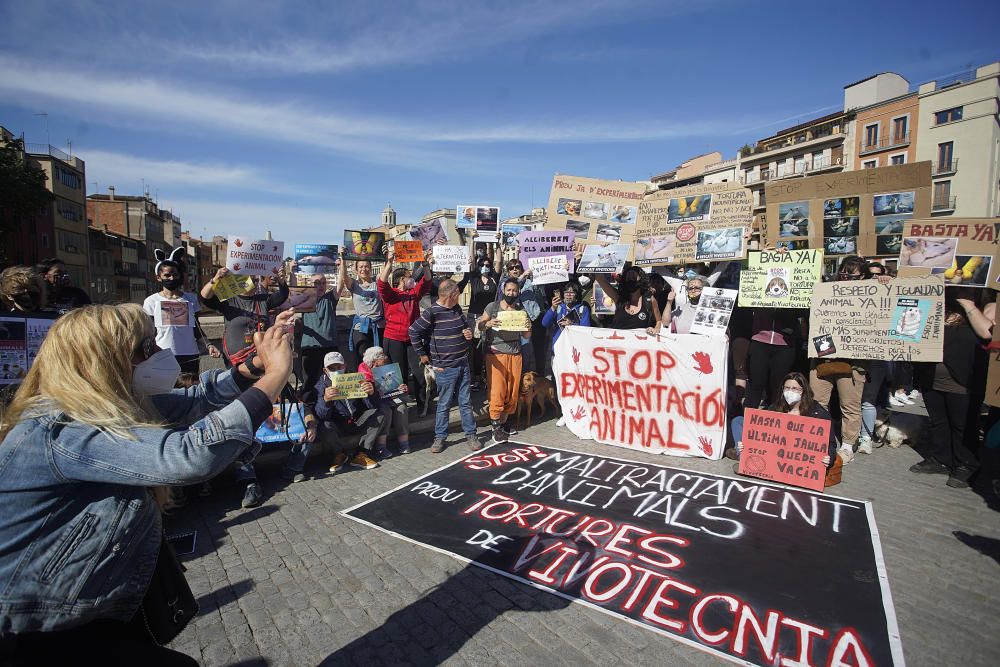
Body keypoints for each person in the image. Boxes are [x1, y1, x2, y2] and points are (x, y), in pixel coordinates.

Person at [0, 304, 293, 664]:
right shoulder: (60, 428)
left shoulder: (110, 405)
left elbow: (196, 401)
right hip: (39, 624)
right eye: (145, 348)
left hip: (90, 606)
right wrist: (276, 375)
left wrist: (253, 369)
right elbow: (188, 455)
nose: (158, 355)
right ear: (104, 361)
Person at [910, 288, 995, 488]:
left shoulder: (987, 305)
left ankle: (966, 464)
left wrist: (967, 304)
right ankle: (940, 459)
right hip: (931, 376)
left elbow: (987, 332)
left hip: (962, 380)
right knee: (938, 421)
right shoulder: (936, 302)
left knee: (962, 425)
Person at [409, 278, 479, 453]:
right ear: (452, 294)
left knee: (465, 402)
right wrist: (423, 354)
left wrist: (467, 333)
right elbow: (413, 331)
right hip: (445, 367)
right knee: (444, 404)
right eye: (458, 293)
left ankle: (471, 434)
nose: (459, 296)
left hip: (462, 362)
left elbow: (464, 327)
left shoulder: (455, 309)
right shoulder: (433, 312)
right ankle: (440, 437)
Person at [810, 256, 867, 464]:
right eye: (844, 271)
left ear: (862, 276)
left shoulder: (872, 293)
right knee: (817, 401)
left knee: (850, 404)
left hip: (852, 361)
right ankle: (817, 438)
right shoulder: (826, 290)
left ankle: (847, 445)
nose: (846, 277)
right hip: (824, 357)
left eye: (852, 273)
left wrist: (882, 283)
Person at [729, 372, 837, 470]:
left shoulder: (818, 413)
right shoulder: (776, 407)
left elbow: (831, 443)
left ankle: (743, 458)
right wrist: (747, 444)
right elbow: (760, 432)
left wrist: (829, 457)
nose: (790, 392)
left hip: (796, 458)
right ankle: (743, 457)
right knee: (738, 421)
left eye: (795, 388)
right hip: (776, 451)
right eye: (787, 388)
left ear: (803, 391)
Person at [143, 248, 220, 376]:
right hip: (163, 355)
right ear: (158, 277)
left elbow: (197, 329)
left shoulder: (191, 299)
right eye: (167, 275)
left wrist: (209, 345)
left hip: (190, 355)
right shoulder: (151, 301)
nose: (171, 278)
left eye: (175, 274)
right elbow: (148, 332)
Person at [377, 246, 432, 409]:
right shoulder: (391, 294)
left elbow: (427, 282)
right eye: (409, 277)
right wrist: (389, 262)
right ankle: (395, 407)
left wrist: (425, 265)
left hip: (412, 339)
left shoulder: (413, 294)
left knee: (419, 373)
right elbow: (381, 283)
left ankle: (424, 404)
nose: (412, 280)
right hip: (394, 339)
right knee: (393, 374)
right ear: (401, 280)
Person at [199, 267, 289, 366]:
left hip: (260, 358)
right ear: (239, 281)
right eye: (251, 279)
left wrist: (281, 280)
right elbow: (205, 297)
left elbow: (282, 295)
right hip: (235, 361)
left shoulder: (263, 300)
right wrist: (216, 278)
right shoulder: (229, 301)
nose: (255, 282)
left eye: (255, 279)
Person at [479, 278, 532, 443]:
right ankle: (495, 426)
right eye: (509, 290)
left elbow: (526, 336)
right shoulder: (492, 307)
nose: (511, 293)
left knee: (512, 391)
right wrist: (487, 324)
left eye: (514, 291)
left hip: (515, 353)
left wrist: (528, 326)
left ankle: (503, 422)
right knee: (498, 390)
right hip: (496, 353)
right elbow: (479, 325)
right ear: (503, 290)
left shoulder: (520, 310)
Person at [313, 352, 384, 472]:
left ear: (345, 365)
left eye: (339, 367)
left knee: (381, 413)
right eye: (332, 368)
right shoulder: (320, 386)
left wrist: (371, 393)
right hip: (338, 424)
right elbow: (321, 415)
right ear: (325, 370)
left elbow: (372, 405)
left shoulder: (355, 378)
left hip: (357, 419)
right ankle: (339, 454)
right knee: (323, 424)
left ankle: (362, 453)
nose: (336, 370)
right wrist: (325, 400)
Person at [541, 280, 592, 427]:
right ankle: (564, 412)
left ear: (577, 295)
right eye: (566, 292)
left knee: (575, 382)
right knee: (560, 382)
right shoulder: (559, 308)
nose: (569, 295)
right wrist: (552, 308)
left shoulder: (582, 309)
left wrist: (572, 325)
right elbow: (544, 323)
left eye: (572, 292)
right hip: (558, 351)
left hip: (575, 353)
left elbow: (586, 329)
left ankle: (578, 410)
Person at [295, 272, 339, 408]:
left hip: (329, 345)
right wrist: (292, 271)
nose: (320, 286)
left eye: (322, 282)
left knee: (334, 378)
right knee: (309, 380)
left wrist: (342, 262)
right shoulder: (305, 299)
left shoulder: (330, 298)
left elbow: (341, 284)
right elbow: (291, 292)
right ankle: (308, 408)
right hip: (310, 346)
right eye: (316, 283)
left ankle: (334, 405)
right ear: (310, 285)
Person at [358, 346, 411, 458]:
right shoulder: (363, 375)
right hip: (375, 404)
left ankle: (404, 443)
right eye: (382, 356)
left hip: (390, 398)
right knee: (386, 410)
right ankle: (381, 446)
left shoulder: (386, 368)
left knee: (401, 407)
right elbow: (367, 403)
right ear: (373, 361)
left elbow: (395, 387)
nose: (385, 357)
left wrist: (402, 388)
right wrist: (372, 392)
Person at [494, 259, 545, 372]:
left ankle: (530, 377)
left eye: (517, 267)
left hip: (530, 319)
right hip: (513, 320)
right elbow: (510, 287)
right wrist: (522, 276)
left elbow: (541, 290)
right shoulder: (504, 282)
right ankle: (516, 376)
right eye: (511, 268)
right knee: (517, 351)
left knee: (532, 350)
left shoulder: (529, 281)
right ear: (508, 271)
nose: (515, 269)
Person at [338, 246, 384, 361]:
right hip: (360, 328)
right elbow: (344, 277)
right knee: (363, 358)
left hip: (378, 327)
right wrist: (343, 258)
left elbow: (385, 272)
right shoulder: (354, 284)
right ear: (357, 270)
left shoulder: (377, 282)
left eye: (366, 266)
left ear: (371, 268)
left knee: (379, 360)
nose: (364, 269)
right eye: (361, 267)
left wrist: (385, 257)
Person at [594, 269, 661, 334]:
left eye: (634, 277)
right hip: (618, 343)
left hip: (640, 343)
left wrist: (655, 329)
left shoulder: (649, 300)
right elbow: (600, 279)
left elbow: (659, 321)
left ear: (641, 278)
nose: (631, 280)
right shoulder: (618, 298)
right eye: (628, 278)